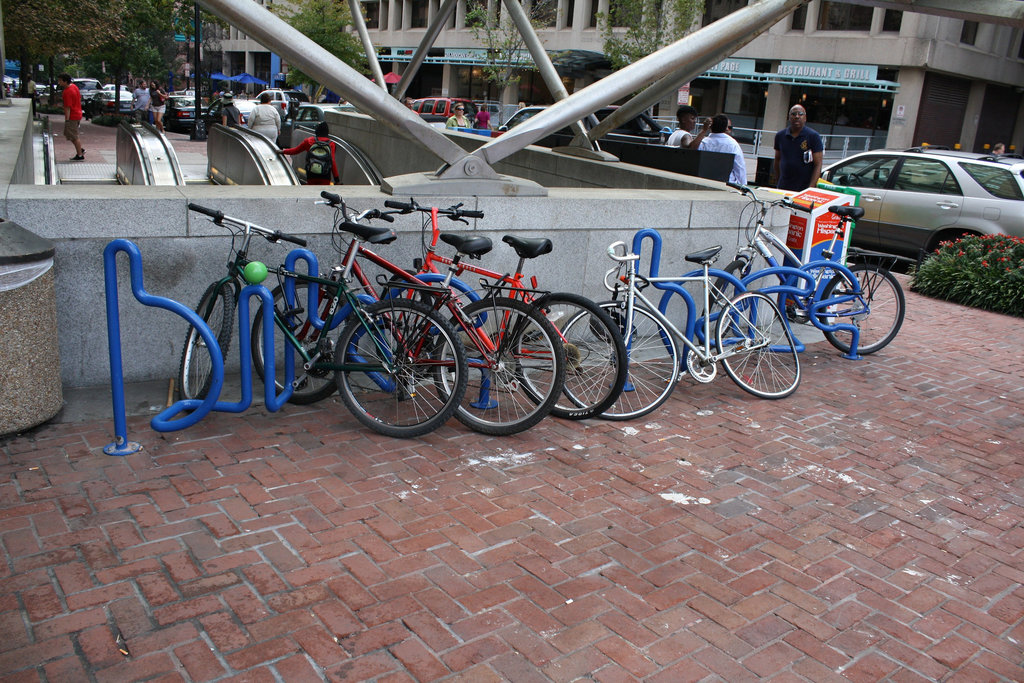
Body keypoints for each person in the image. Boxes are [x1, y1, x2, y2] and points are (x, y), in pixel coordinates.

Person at [773, 103, 823, 191]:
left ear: (805, 118)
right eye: (793, 114)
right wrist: (778, 181)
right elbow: (777, 159)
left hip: (804, 188)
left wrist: (811, 188)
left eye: (800, 114)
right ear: (789, 117)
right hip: (783, 187)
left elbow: (818, 164)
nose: (797, 116)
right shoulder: (780, 136)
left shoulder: (813, 136)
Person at [699, 114, 747, 185]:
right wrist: (743, 186)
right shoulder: (733, 144)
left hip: (705, 182)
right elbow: (740, 167)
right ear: (726, 128)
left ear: (710, 127)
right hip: (727, 184)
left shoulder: (703, 142)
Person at [58, 73, 85, 161]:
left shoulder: (67, 92)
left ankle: (80, 154)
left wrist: (67, 120)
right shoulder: (74, 87)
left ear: (65, 81)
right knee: (70, 134)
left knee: (73, 135)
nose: (59, 83)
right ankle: (80, 149)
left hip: (72, 116)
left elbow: (67, 107)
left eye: (60, 81)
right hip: (78, 113)